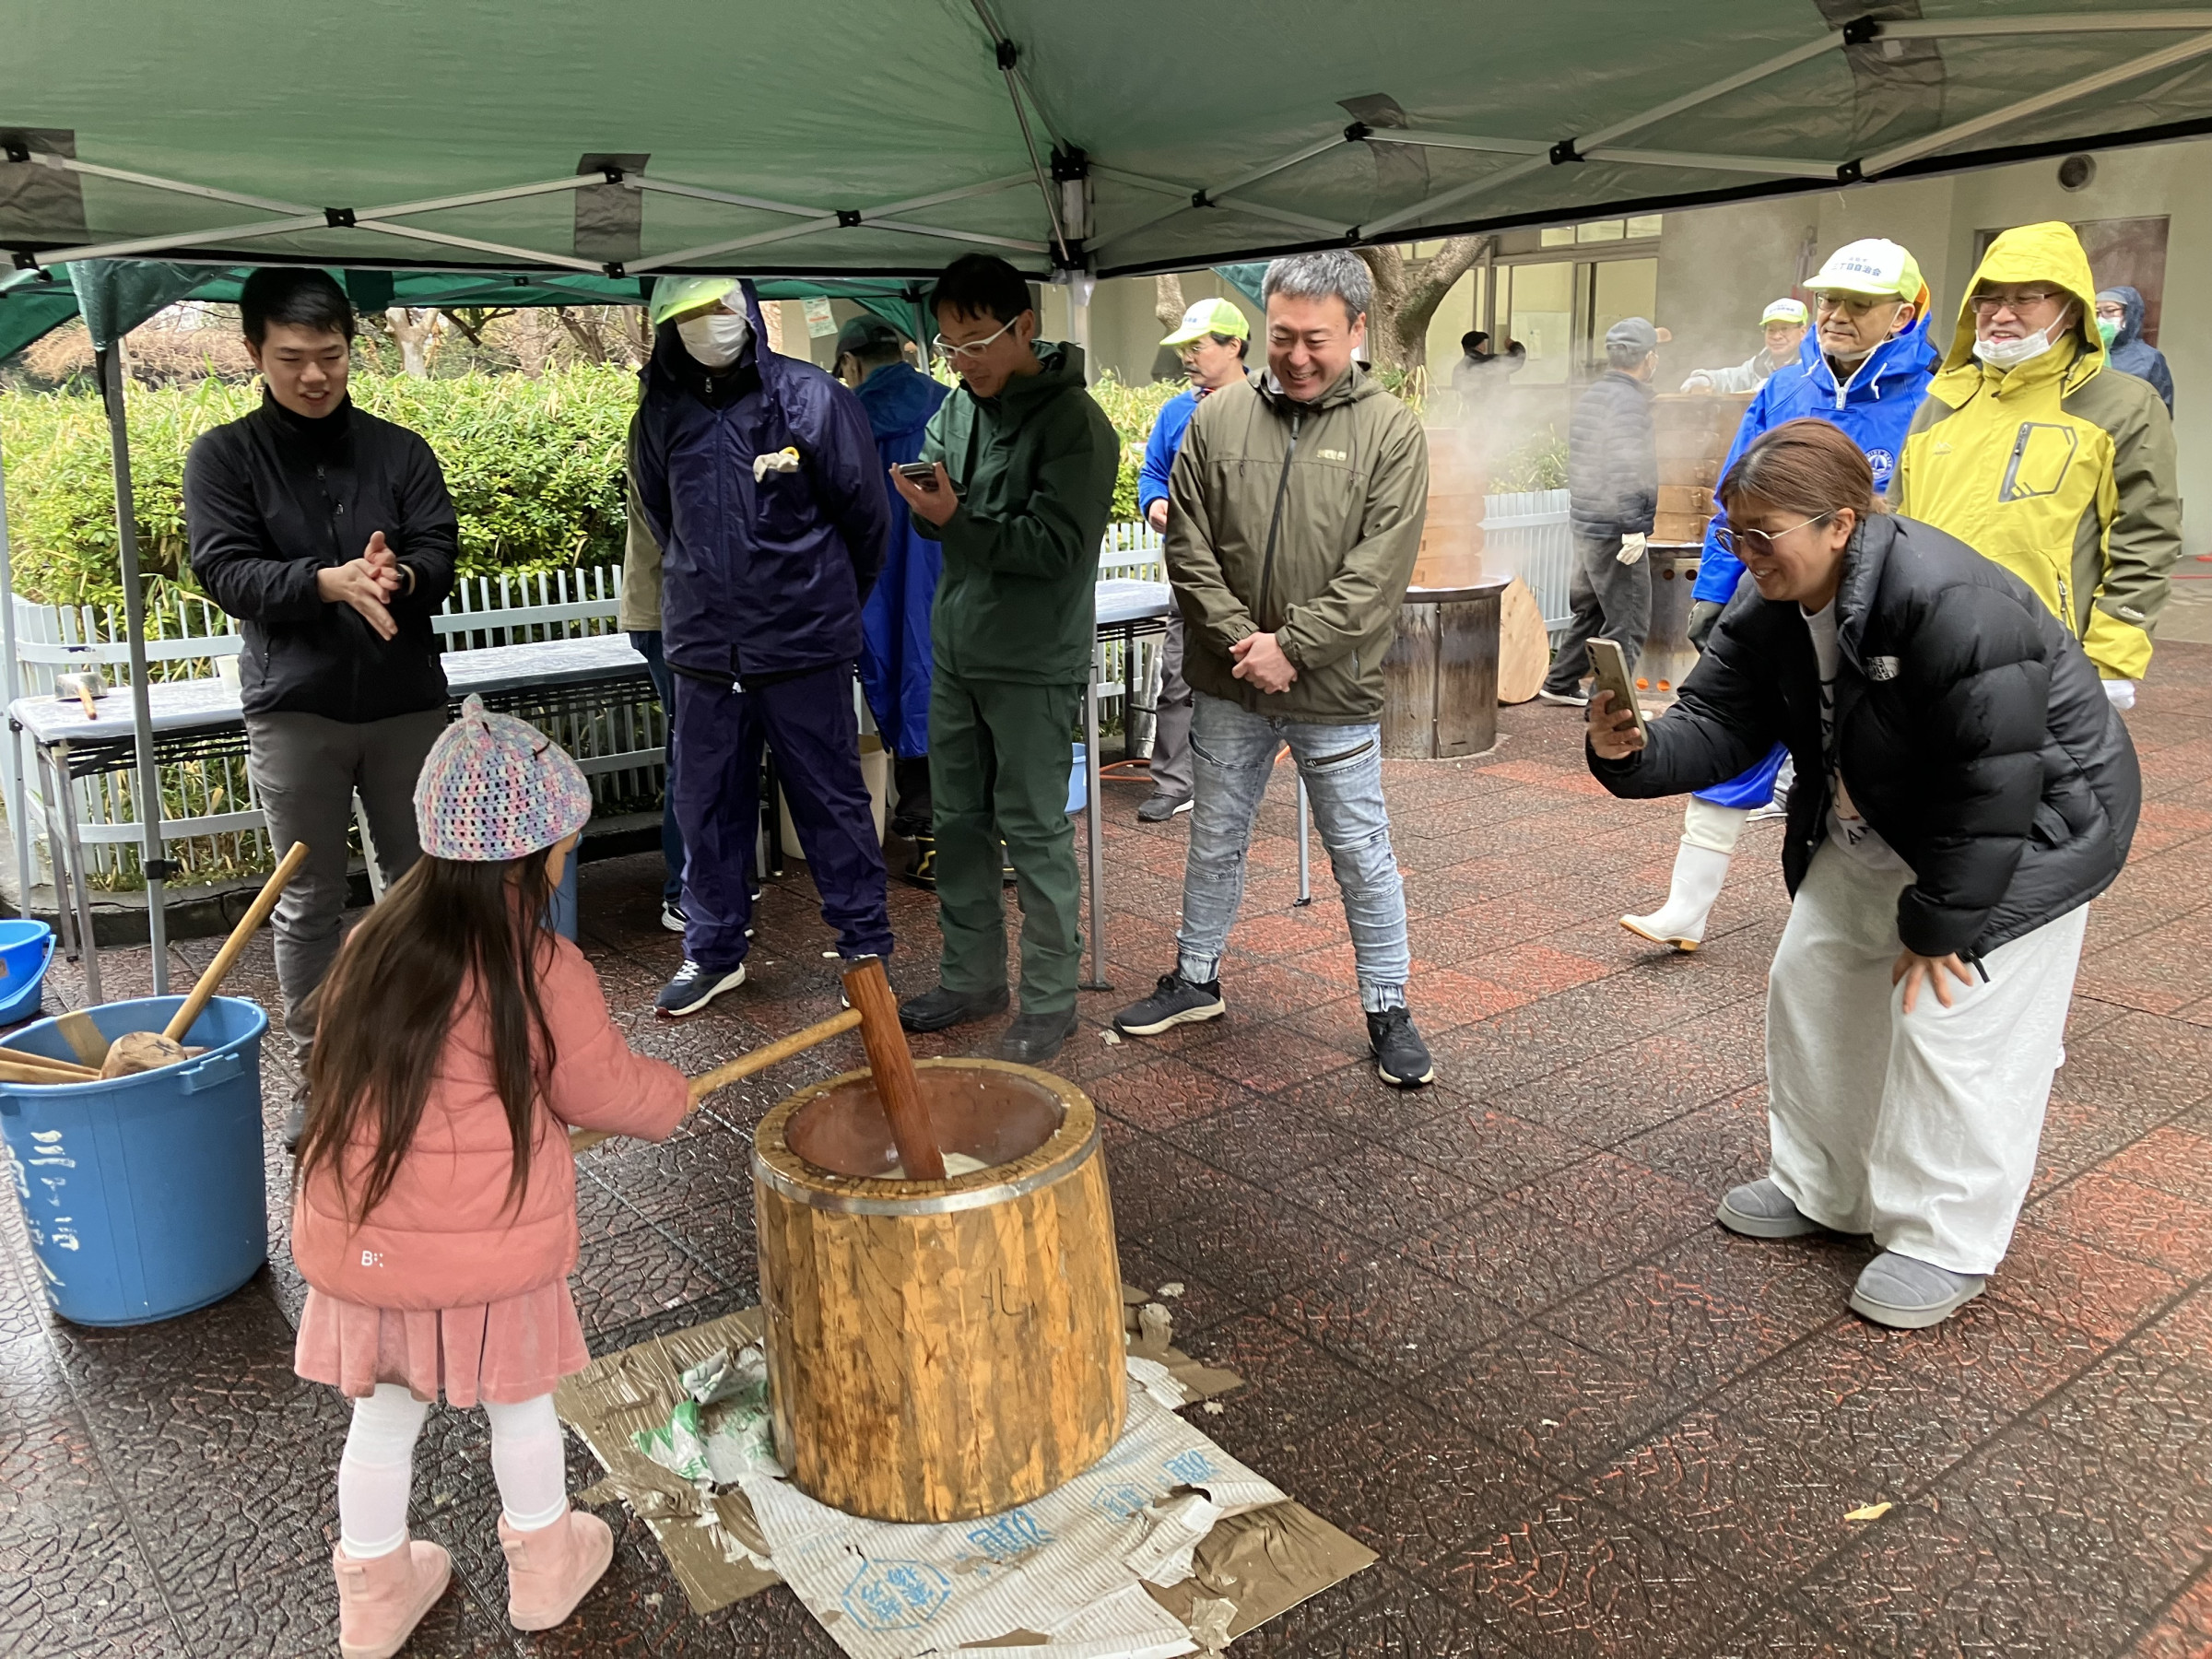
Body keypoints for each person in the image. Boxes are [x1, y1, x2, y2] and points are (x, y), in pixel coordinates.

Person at [1589, 419, 2137, 1328]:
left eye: (1765, 534)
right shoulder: (1770, 610)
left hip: (2033, 831)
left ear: (1841, 524)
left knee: (1950, 1028)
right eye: (1735, 532)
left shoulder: (1950, 600)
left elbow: (1994, 782)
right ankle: (1825, 1188)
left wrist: (1939, 926)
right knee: (1813, 983)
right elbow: (1719, 721)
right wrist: (1634, 750)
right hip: (1877, 817)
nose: (1747, 553)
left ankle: (1942, 1239)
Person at [289, 700, 690, 1652]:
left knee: (382, 1421)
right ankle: (546, 1567)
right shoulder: (541, 965)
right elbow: (599, 1089)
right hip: (487, 1247)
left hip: (364, 1241)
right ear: (533, 855)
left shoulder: (368, 948)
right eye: (563, 846)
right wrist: (672, 1099)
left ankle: (376, 1589)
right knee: (523, 1403)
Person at [1110, 251, 1437, 1088]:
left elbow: (1378, 573)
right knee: (1215, 837)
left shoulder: (1391, 432)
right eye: (1282, 335)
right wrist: (1241, 646)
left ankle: (1388, 1004)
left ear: (1358, 331)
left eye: (1316, 340)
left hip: (1333, 690)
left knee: (1360, 851)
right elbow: (1187, 543)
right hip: (1229, 683)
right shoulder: (1217, 419)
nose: (1295, 356)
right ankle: (1195, 976)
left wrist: (1290, 647)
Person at [184, 267, 457, 1149]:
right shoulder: (225, 455)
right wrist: (324, 583)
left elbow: (439, 553)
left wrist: (396, 576)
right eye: (292, 358)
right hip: (294, 709)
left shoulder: (401, 450)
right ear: (254, 351)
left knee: (422, 890)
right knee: (306, 899)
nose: (315, 376)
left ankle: (430, 1066)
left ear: (352, 348)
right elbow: (223, 569)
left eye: (330, 356)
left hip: (405, 701)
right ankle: (324, 1076)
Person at [1628, 240, 1937, 950]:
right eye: (1831, 301)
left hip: (1879, 617)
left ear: (1902, 314)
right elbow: (1735, 496)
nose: (1837, 315)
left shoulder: (1932, 396)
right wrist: (1713, 588)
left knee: (1877, 772)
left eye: (1859, 304)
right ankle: (1686, 909)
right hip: (1776, 606)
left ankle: (1908, 930)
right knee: (1734, 739)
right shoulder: (1787, 386)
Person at [633, 277, 893, 1018]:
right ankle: (712, 952)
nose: (705, 326)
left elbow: (866, 519)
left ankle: (864, 946)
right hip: (706, 651)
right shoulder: (661, 410)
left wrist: (822, 601)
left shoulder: (811, 398)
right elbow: (663, 517)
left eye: (717, 310)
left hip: (803, 644)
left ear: (746, 313)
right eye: (686, 316)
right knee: (706, 803)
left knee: (832, 800)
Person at [888, 254, 1119, 1065]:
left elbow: (1057, 549)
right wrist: (929, 509)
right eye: (950, 345)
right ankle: (971, 977)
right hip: (958, 650)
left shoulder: (1077, 426)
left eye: (979, 340)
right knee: (958, 825)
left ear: (1026, 326)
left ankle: (1051, 1000)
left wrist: (955, 518)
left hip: (1031, 659)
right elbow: (933, 517)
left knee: (1034, 829)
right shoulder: (957, 409)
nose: (965, 360)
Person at [1893, 222, 2182, 715]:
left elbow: (2145, 539)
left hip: (2051, 664)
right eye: (1989, 299)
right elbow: (1899, 530)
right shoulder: (1941, 405)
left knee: (2043, 791)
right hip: (1933, 655)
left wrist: (2112, 662)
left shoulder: (2122, 405)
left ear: (2070, 310)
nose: (2002, 314)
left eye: (2027, 298)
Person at [839, 314, 950, 869]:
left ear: (852, 365)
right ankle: (974, 837)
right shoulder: (953, 405)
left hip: (876, 582)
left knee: (901, 683)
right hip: (952, 576)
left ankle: (928, 831)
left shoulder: (846, 417)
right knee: (949, 691)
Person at [1135, 297, 1252, 822]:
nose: (1187, 356)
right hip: (1190, 570)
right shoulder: (1177, 411)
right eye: (1182, 347)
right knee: (1178, 674)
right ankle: (1173, 781)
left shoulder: (1266, 406)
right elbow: (1152, 472)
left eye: (1197, 345)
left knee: (1251, 673)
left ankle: (1242, 778)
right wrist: (1153, 501)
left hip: (1252, 575)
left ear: (1234, 347)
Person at [1536, 317, 1660, 706]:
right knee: (1629, 619)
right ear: (1649, 359)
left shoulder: (1593, 395)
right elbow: (1626, 466)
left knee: (1590, 610)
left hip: (1588, 524)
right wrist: (1633, 527)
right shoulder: (1629, 402)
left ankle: (1560, 682)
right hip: (1614, 527)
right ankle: (1607, 704)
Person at [618, 413, 687, 935]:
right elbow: (676, 521)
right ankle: (686, 889)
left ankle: (707, 881)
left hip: (673, 614)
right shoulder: (662, 422)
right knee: (694, 753)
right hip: (670, 617)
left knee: (703, 751)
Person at [1678, 298, 1809, 394]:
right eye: (1771, 330)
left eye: (1784, 329)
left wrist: (1772, 386)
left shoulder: (1813, 366)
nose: (1777, 336)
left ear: (1803, 332)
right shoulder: (1758, 366)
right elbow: (1730, 378)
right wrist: (1705, 379)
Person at [2095, 285, 2175, 416]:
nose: (2101, 318)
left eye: (2110, 311)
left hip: (2130, 430)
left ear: (2129, 314)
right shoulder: (2085, 352)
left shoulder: (2149, 359)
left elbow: (2162, 410)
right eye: (2097, 312)